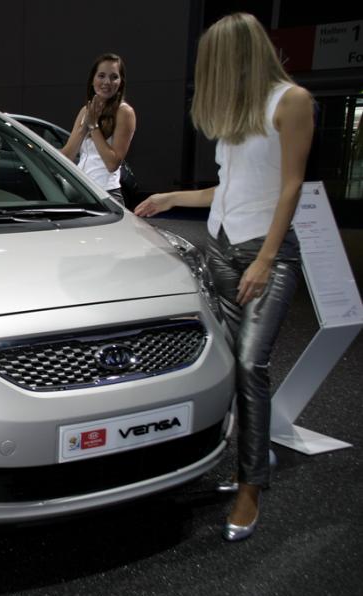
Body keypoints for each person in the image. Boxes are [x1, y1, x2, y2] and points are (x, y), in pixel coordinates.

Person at [134, 13, 314, 542]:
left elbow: (291, 186)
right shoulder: (238, 112)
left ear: (241, 53)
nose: (209, 71)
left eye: (215, 59)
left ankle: (250, 485)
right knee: (230, 367)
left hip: (266, 254)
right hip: (221, 249)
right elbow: (230, 188)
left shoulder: (292, 101)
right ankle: (248, 459)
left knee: (252, 365)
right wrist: (172, 197)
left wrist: (266, 259)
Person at [61, 53, 136, 203]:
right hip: (79, 191)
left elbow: (112, 164)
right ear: (92, 80)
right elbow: (67, 157)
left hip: (105, 195)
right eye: (101, 76)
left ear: (121, 82)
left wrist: (94, 127)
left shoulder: (124, 112)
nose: (107, 82)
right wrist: (84, 128)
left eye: (114, 77)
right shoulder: (85, 111)